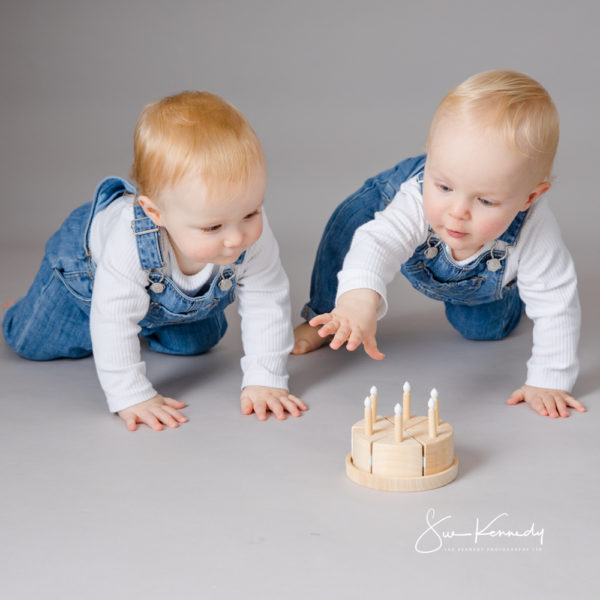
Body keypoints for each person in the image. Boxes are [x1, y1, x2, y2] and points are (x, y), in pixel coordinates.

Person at [3, 91, 306, 429]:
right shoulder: (129, 240)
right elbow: (114, 318)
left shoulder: (245, 232)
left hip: (163, 295)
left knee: (197, 344)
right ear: (154, 211)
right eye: (213, 226)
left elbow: (268, 300)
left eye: (251, 212)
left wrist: (266, 378)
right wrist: (132, 395)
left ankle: (149, 323)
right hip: (82, 272)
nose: (237, 238)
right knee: (32, 342)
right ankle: (23, 309)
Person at [293, 70, 584, 419]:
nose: (457, 212)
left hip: (485, 269)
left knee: (483, 331)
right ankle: (325, 316)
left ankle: (511, 289)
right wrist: (357, 300)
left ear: (530, 196)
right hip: (399, 216)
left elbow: (557, 301)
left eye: (485, 201)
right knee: (353, 225)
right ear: (430, 162)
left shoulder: (536, 229)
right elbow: (378, 242)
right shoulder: (417, 195)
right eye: (444, 187)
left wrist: (550, 378)